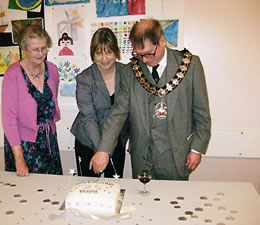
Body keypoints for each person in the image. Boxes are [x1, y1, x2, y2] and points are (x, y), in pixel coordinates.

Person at [90, 19, 211, 181]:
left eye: (148, 54)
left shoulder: (190, 65)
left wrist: (197, 149)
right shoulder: (129, 72)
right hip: (142, 157)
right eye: (138, 54)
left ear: (161, 41)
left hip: (176, 154)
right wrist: (103, 149)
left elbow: (202, 112)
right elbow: (118, 114)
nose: (144, 60)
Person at [2, 25, 63, 176]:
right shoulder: (13, 74)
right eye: (36, 49)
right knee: (27, 193)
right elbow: (9, 119)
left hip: (49, 141)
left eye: (44, 48)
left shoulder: (52, 70)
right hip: (24, 144)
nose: (41, 53)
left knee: (52, 188)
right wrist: (19, 157)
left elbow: (51, 103)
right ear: (24, 48)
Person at [70, 27, 129, 178]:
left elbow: (133, 110)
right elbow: (88, 117)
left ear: (116, 52)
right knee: (88, 189)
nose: (104, 59)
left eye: (109, 52)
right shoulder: (84, 79)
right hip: (88, 141)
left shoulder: (127, 73)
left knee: (114, 187)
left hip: (116, 140)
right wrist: (101, 150)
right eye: (99, 53)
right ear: (92, 54)